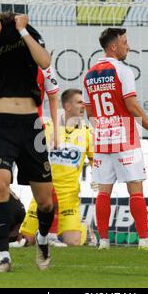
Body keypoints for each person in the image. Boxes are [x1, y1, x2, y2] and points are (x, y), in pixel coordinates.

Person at [0, 11, 57, 272]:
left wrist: (23, 31)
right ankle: (4, 256)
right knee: (0, 184)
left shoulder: (30, 35)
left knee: (45, 200)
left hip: (31, 126)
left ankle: (42, 239)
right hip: (2, 126)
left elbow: (45, 61)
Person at [82, 28, 148, 250]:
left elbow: (89, 111)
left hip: (101, 137)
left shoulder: (89, 74)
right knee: (135, 188)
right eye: (125, 42)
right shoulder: (123, 70)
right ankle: (143, 241)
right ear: (113, 47)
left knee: (104, 190)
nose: (128, 46)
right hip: (125, 137)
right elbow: (132, 105)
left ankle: (103, 242)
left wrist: (102, 127)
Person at [19, 88, 94, 247]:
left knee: (73, 243)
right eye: (80, 102)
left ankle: (84, 230)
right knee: (27, 241)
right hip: (43, 192)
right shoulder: (46, 126)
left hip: (68, 196)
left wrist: (98, 178)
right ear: (67, 106)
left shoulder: (87, 133)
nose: (84, 106)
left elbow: (96, 162)